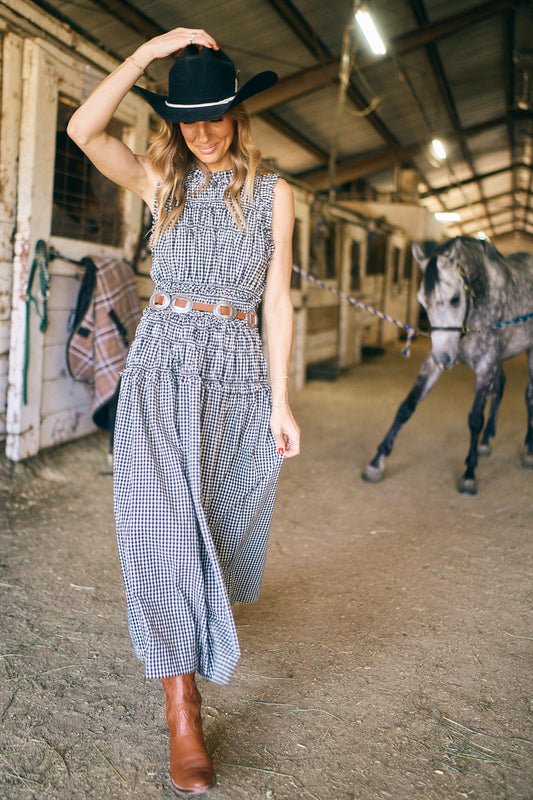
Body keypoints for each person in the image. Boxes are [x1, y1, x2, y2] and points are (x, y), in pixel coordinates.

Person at [67, 26, 300, 797]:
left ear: (238, 115)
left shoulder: (275, 194)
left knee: (219, 520)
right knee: (157, 526)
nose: (200, 132)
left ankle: (191, 642)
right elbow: (83, 129)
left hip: (234, 368)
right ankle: (182, 705)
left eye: (215, 116)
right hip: (163, 363)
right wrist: (145, 54)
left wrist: (283, 399)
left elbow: (276, 299)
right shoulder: (160, 182)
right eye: (185, 118)